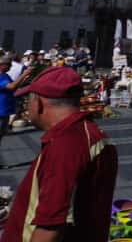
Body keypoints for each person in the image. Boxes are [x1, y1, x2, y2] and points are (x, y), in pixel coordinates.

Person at [1, 67, 118, 242]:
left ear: (39, 103)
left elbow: (51, 225)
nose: (26, 107)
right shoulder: (89, 133)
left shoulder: (65, 144)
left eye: (27, 101)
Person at [0, 55, 33, 150]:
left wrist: (24, 79)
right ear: (1, 65)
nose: (10, 67)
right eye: (8, 65)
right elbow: (11, 86)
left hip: (5, 109)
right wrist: (23, 74)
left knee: (1, 134)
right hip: (1, 110)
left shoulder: (5, 75)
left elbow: (14, 87)